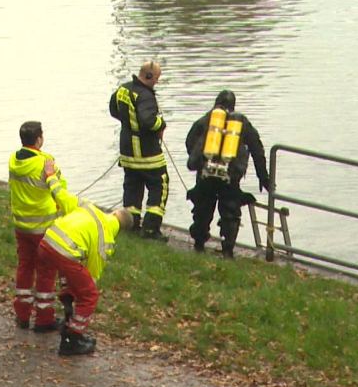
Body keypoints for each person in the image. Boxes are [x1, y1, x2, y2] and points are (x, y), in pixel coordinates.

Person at [33, 204, 135, 356]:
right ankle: (72, 339)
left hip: (48, 240)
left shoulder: (90, 208)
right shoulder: (106, 237)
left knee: (50, 275)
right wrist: (83, 290)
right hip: (65, 252)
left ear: (114, 212)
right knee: (89, 295)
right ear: (120, 229)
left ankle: (43, 320)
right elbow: (93, 273)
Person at [8, 121, 78, 331]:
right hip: (44, 227)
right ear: (39, 139)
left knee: (25, 268)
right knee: (46, 272)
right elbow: (61, 189)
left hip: (21, 224)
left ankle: (22, 315)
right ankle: (44, 319)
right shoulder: (46, 162)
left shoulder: (13, 159)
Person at [184, 90, 271, 258]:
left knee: (202, 208)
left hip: (206, 173)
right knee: (230, 212)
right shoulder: (241, 123)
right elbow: (257, 150)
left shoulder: (206, 119)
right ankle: (227, 250)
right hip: (230, 175)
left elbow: (190, 142)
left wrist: (201, 161)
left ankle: (199, 244)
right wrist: (263, 177)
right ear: (233, 106)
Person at [109, 60, 168, 240]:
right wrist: (161, 124)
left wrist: (128, 122)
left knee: (132, 189)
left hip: (127, 152)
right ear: (149, 76)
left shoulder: (123, 90)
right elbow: (148, 121)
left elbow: (113, 110)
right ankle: (150, 230)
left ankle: (131, 225)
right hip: (147, 154)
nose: (157, 82)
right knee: (160, 186)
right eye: (156, 78)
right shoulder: (146, 95)